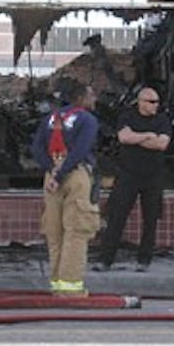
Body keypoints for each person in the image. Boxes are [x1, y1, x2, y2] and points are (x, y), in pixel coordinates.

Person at [29, 79, 101, 296]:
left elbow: (36, 148)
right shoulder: (87, 120)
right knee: (77, 230)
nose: (95, 98)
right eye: (91, 94)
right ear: (80, 98)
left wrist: (52, 171)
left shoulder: (50, 119)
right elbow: (81, 149)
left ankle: (57, 283)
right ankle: (71, 287)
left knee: (54, 231)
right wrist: (61, 174)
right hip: (74, 174)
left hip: (51, 176)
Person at [96, 86, 171, 271]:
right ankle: (106, 259)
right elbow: (124, 137)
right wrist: (146, 136)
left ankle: (144, 260)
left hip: (153, 176)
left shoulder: (162, 120)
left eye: (157, 102)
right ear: (141, 101)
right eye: (152, 102)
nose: (156, 105)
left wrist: (137, 138)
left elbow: (162, 143)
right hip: (128, 174)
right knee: (117, 217)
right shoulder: (127, 116)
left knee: (150, 219)